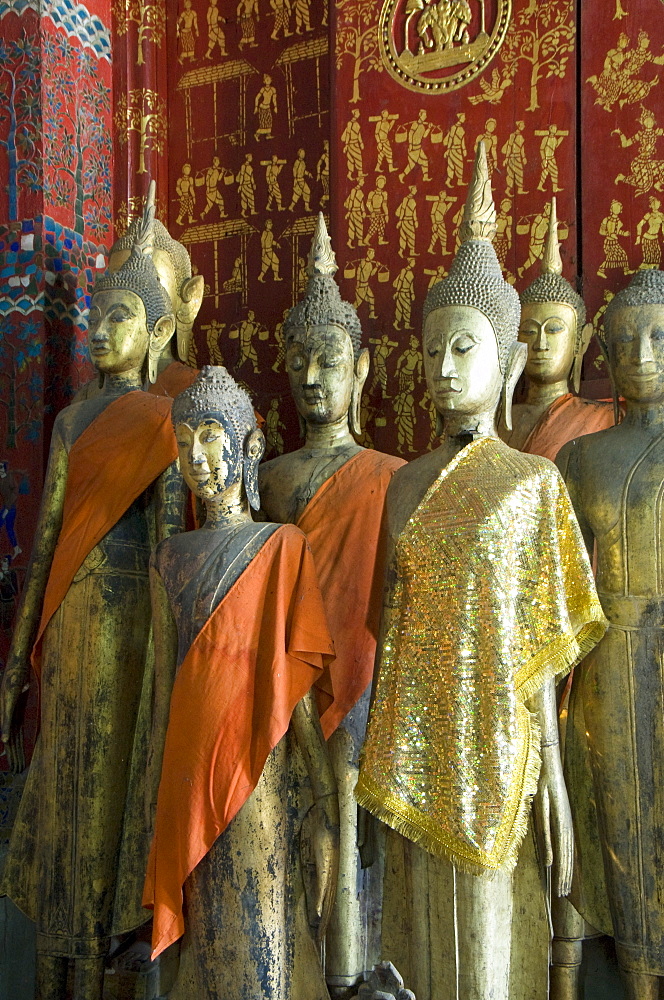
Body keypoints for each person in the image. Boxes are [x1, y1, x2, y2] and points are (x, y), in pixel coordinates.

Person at [357, 144, 606, 1000]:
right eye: (431, 352)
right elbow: (387, 636)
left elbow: (542, 643)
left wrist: (559, 785)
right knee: (420, 950)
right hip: (414, 741)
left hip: (502, 750)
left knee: (490, 956)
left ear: (504, 358)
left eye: (464, 348)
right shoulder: (402, 486)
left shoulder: (532, 482)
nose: (443, 367)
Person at [0, 187, 186, 1000]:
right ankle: (53, 965)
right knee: (63, 792)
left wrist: (174, 670)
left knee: (115, 803)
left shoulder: (166, 421)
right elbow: (42, 553)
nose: (101, 332)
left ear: (155, 334)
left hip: (135, 633)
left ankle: (106, 960)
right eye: (96, 317)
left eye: (120, 319)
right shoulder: (72, 422)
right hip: (69, 625)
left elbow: (173, 554)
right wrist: (14, 671)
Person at [144, 367, 338, 999]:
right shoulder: (170, 557)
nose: (196, 457)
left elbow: (298, 689)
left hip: (257, 774)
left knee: (260, 937)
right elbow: (159, 698)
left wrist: (325, 802)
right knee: (200, 948)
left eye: (209, 435)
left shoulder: (280, 546)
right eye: (183, 442)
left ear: (247, 446)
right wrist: (152, 803)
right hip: (183, 774)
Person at [259, 215, 405, 997]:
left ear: (363, 369)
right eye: (300, 361)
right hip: (282, 692)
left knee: (354, 849)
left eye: (332, 360)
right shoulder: (271, 478)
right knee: (290, 853)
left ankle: (357, 974)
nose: (314, 377)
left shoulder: (393, 474)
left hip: (361, 689)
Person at [557, 268, 664, 1000]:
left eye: (658, 336)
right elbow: (557, 589)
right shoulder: (582, 458)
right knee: (622, 833)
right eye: (624, 341)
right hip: (611, 665)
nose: (641, 353)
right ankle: (636, 977)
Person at [500, 199, 615, 460]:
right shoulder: (497, 423)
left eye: (553, 330)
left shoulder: (601, 419)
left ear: (580, 342)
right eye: (529, 332)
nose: (540, 343)